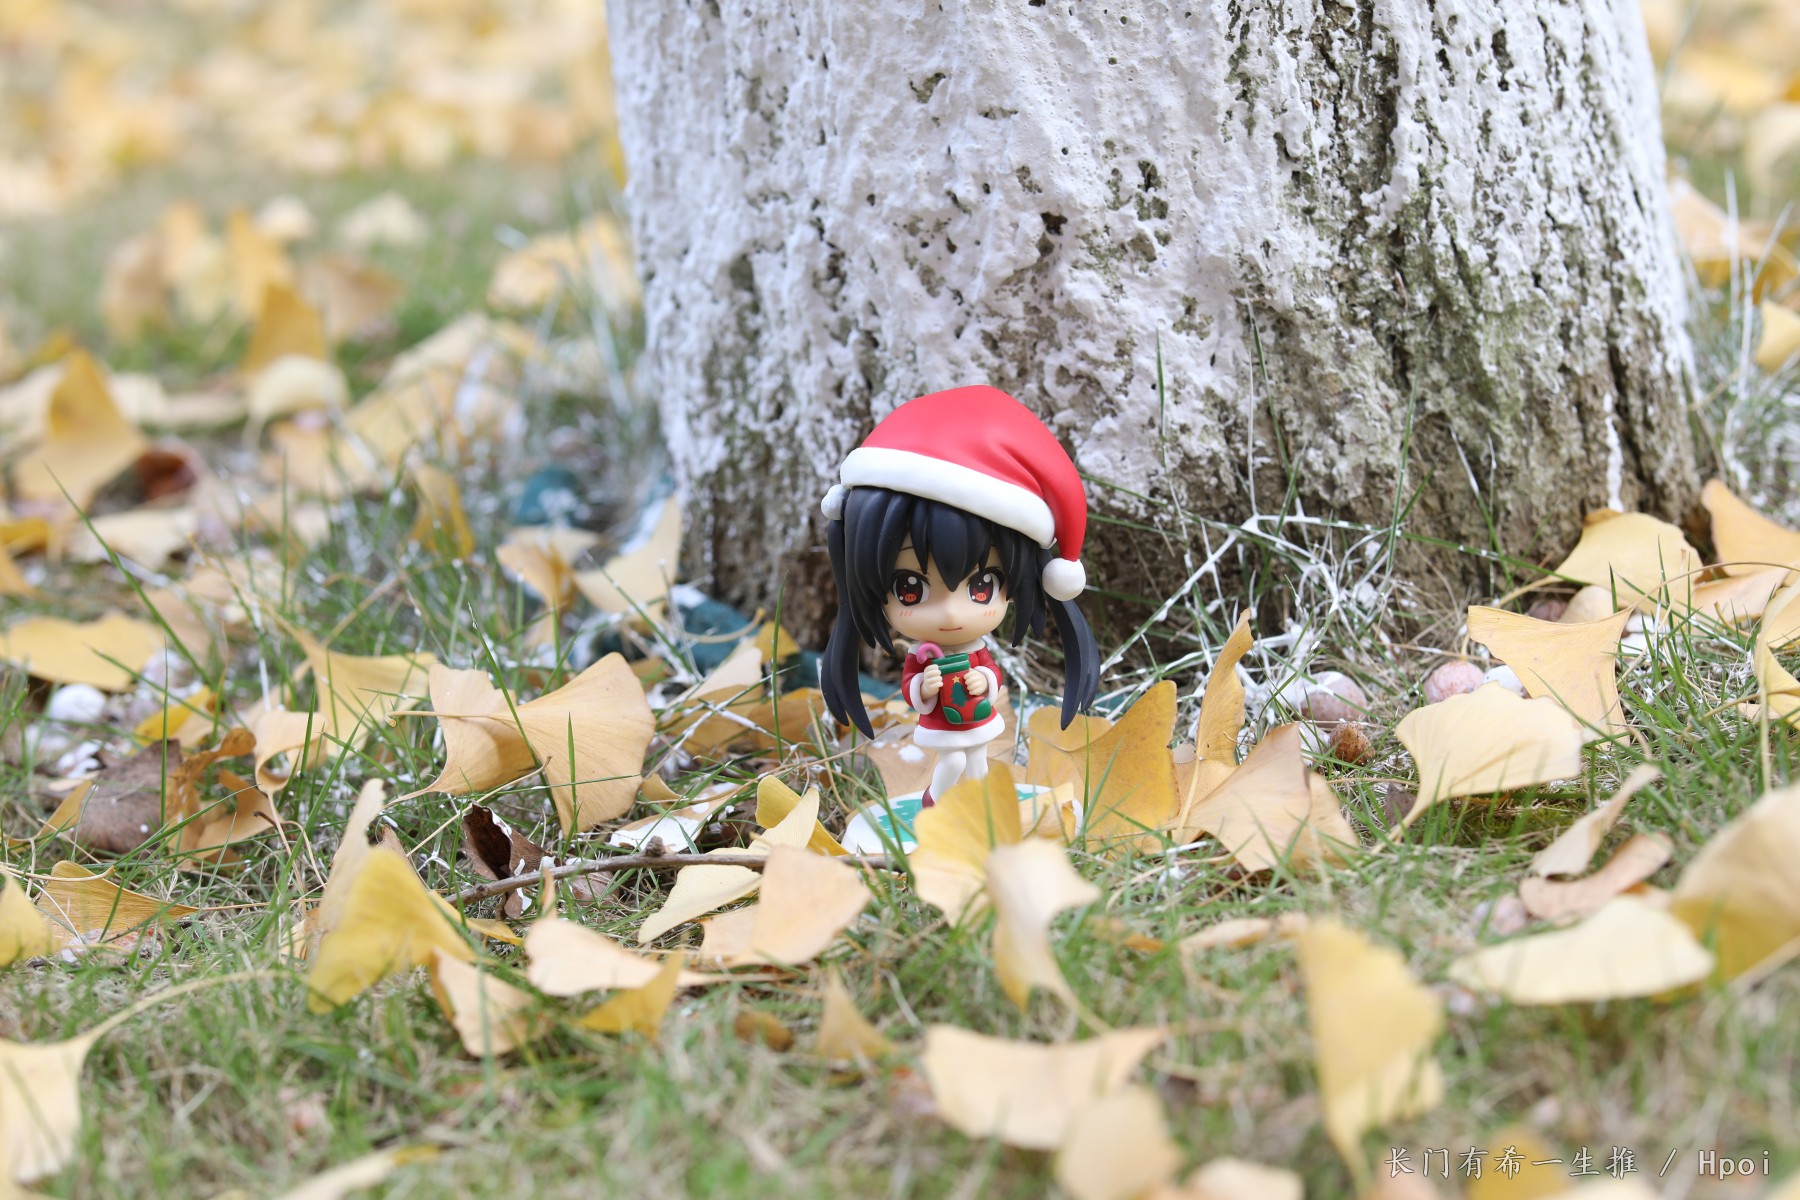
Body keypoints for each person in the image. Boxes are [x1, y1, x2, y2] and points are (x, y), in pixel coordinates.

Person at [819, 385, 1100, 804]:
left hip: (976, 718)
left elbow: (992, 675)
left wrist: (983, 680)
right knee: (951, 763)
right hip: (943, 724)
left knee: (979, 762)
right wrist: (925, 687)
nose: (951, 613)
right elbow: (911, 687)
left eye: (982, 586)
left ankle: (980, 805)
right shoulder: (922, 656)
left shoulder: (975, 651)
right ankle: (935, 804)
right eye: (909, 588)